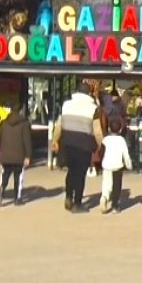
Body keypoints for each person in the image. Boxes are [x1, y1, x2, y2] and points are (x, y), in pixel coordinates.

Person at [52, 82, 103, 212]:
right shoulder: (93, 108)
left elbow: (59, 124)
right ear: (88, 93)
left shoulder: (66, 105)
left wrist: (55, 140)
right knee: (80, 174)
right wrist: (101, 144)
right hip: (84, 145)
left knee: (71, 172)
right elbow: (97, 130)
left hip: (67, 143)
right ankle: (77, 203)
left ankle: (68, 197)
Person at [0, 105, 32, 206]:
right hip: (19, 156)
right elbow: (27, 141)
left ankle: (1, 188)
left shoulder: (4, 123)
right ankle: (17, 198)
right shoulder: (24, 124)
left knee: (5, 174)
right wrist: (28, 155)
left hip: (5, 155)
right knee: (18, 177)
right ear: (20, 110)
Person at [98, 118, 132, 213]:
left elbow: (101, 153)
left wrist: (101, 162)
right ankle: (115, 205)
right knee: (117, 186)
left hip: (107, 165)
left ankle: (104, 197)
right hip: (118, 165)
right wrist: (129, 165)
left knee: (106, 183)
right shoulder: (121, 140)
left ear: (109, 128)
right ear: (120, 130)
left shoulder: (105, 140)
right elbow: (126, 154)